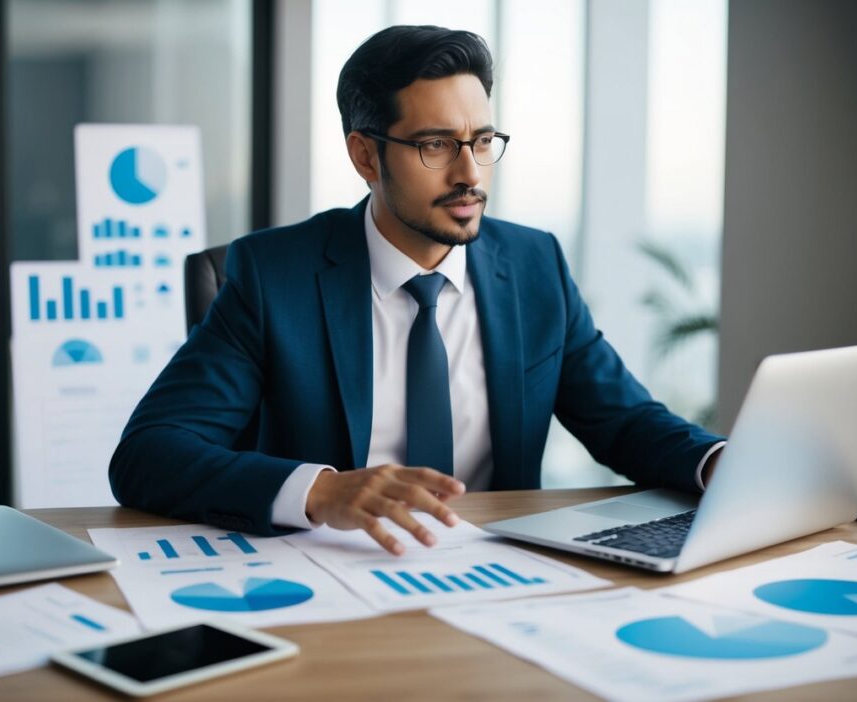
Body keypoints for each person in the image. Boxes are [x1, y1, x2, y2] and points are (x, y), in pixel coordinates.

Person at [110, 25, 725, 555]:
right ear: (366, 157)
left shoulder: (534, 264)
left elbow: (626, 421)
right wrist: (323, 491)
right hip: (335, 575)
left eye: (482, 141)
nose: (469, 174)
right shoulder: (274, 276)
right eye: (435, 145)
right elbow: (150, 453)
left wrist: (722, 464)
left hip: (502, 571)